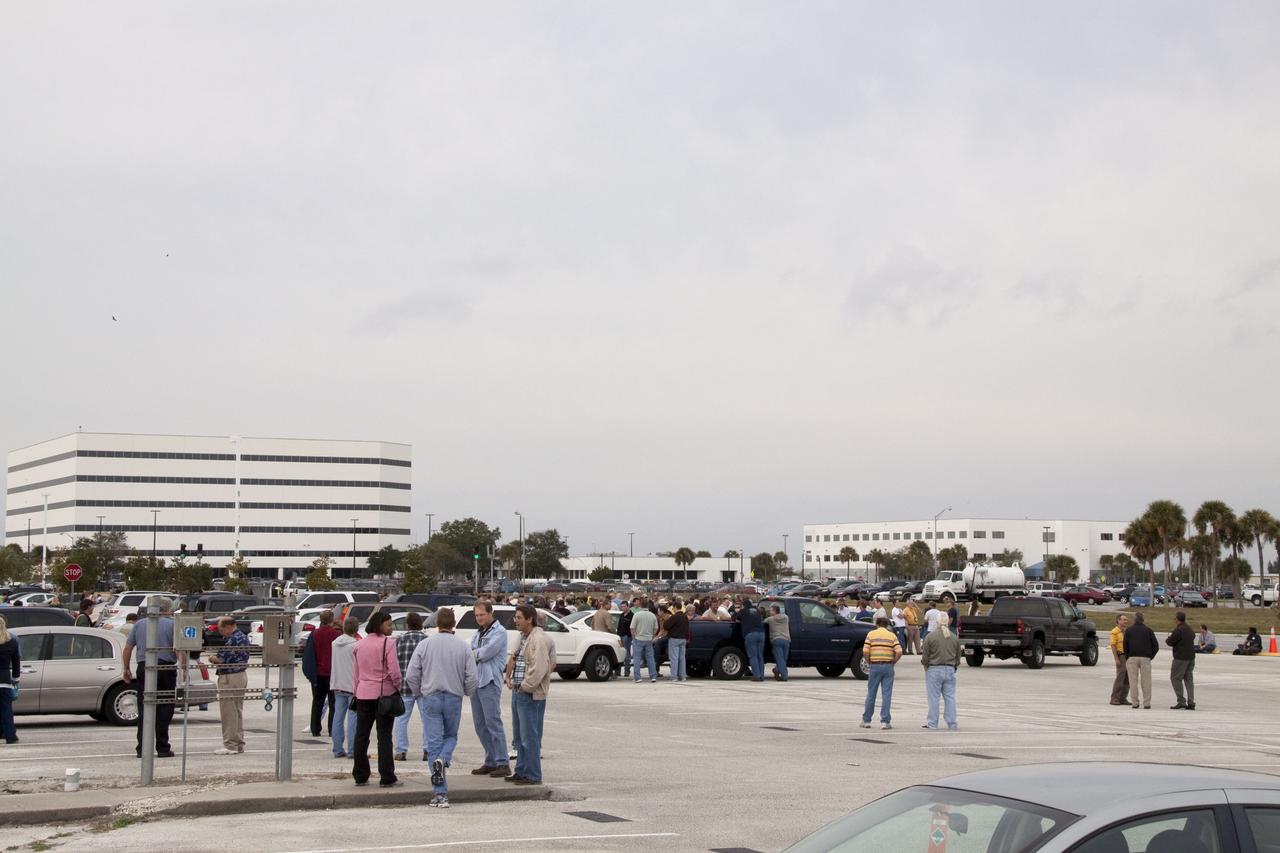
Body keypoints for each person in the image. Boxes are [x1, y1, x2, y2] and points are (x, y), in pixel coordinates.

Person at [405, 606, 478, 808]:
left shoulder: (425, 644)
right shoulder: (462, 646)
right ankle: (444, 759)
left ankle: (440, 793)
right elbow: (472, 676)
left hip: (431, 696)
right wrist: (466, 691)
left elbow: (411, 674)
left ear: (437, 623)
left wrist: (419, 691)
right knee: (451, 736)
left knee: (433, 743)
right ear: (453, 624)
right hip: (453, 696)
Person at [122, 596, 180, 758]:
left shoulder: (139, 624)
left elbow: (128, 648)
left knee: (145, 707)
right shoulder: (173, 624)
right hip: (166, 668)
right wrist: (183, 669)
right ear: (165, 609)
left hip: (144, 667)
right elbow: (179, 649)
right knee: (165, 708)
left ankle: (142, 747)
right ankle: (162, 747)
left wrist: (126, 668)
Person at [504, 604, 555, 785]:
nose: (515, 621)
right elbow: (515, 659)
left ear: (529, 619)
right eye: (515, 618)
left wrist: (525, 686)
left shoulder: (538, 639)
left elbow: (540, 668)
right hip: (519, 692)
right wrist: (508, 678)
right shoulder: (524, 637)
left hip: (530, 694)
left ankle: (533, 774)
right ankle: (521, 770)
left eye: (519, 618)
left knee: (530, 736)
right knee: (519, 737)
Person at [351, 610, 402, 788]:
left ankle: (360, 774)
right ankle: (387, 775)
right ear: (380, 625)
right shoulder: (388, 643)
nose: (391, 628)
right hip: (384, 693)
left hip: (363, 693)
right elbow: (394, 671)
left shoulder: (359, 645)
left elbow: (356, 674)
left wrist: (356, 691)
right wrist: (398, 686)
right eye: (389, 624)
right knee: (384, 736)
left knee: (362, 735)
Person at [468, 600, 511, 778]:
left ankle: (503, 762)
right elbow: (472, 651)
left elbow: (486, 653)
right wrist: (474, 654)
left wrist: (473, 654)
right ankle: (491, 760)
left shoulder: (499, 632)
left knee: (493, 722)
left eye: (482, 615)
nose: (479, 618)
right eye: (476, 615)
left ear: (490, 613)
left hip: (490, 682)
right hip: (476, 682)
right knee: (480, 725)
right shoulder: (477, 634)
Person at [209, 615, 250, 755]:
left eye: (221, 630)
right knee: (237, 710)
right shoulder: (243, 637)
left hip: (229, 677)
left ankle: (230, 744)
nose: (221, 633)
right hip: (240, 675)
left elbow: (221, 659)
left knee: (229, 711)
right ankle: (238, 742)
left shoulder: (232, 639)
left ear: (228, 627)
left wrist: (212, 658)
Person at [392, 612, 429, 762]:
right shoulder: (426, 641)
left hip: (404, 686)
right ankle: (428, 750)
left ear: (407, 625)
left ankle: (401, 750)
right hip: (423, 686)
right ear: (421, 624)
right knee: (427, 719)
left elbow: (394, 663)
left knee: (401, 719)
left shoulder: (399, 641)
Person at [920, 612, 961, 730]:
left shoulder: (930, 636)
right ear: (948, 621)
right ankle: (952, 723)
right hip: (950, 669)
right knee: (950, 697)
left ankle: (932, 723)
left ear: (937, 622)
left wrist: (926, 666)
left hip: (934, 669)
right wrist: (954, 666)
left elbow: (925, 656)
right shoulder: (954, 637)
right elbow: (958, 657)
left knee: (933, 698)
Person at [861, 616, 901, 729]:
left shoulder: (871, 634)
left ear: (877, 624)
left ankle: (867, 720)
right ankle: (885, 721)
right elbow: (899, 651)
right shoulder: (892, 635)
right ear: (887, 625)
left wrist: (869, 661)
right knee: (886, 694)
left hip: (875, 665)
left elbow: (865, 651)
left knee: (871, 693)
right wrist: (894, 661)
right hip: (888, 666)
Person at [306, 611, 341, 738]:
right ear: (332, 620)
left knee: (317, 702)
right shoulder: (336, 634)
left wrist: (310, 674)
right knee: (333, 703)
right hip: (333, 673)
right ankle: (332, 729)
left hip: (318, 673)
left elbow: (309, 655)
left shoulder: (314, 634)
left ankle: (315, 729)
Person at [329, 616, 360, 759]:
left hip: (337, 683)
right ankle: (353, 749)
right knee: (353, 717)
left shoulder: (335, 643)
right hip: (352, 685)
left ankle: (337, 748)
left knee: (338, 716)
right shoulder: (356, 645)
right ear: (356, 629)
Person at [1123, 611, 1159, 709]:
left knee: (1133, 681)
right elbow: (1156, 645)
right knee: (1146, 681)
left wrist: (1128, 656)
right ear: (1143, 620)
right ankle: (1147, 703)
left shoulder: (1129, 630)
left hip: (1132, 657)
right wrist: (1151, 656)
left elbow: (1125, 645)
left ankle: (1135, 702)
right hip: (1145, 657)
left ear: (1134, 619)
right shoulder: (1148, 630)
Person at [1166, 611, 1196, 711]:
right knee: (1189, 680)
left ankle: (1181, 700)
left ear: (1177, 619)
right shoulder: (1189, 629)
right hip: (1191, 657)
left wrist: (1169, 637)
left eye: (1175, 619)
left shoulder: (1179, 630)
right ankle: (1191, 702)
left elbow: (1170, 642)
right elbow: (1193, 636)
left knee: (1175, 678)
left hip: (1180, 658)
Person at [630, 599, 659, 683]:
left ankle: (638, 677)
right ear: (648, 606)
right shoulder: (652, 615)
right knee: (650, 658)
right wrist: (652, 635)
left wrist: (634, 637)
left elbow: (632, 628)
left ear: (640, 605)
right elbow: (656, 628)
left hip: (638, 638)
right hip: (649, 639)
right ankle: (653, 676)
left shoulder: (637, 615)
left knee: (637, 659)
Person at [0, 616, 18, 744]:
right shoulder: (12, 641)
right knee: (6, 710)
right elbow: (16, 662)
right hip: (5, 680)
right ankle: (10, 736)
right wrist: (16, 678)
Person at [664, 601, 690, 682]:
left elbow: (666, 626)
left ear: (675, 607)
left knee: (674, 658)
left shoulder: (674, 617)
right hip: (683, 639)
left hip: (674, 639)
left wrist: (666, 620)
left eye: (673, 608)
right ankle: (682, 676)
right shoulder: (685, 617)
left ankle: (674, 676)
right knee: (682, 658)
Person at [765, 604, 791, 682]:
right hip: (786, 640)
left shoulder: (770, 619)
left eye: (770, 610)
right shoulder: (786, 617)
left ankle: (784, 676)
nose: (769, 611)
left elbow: (762, 622)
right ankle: (776, 669)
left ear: (774, 611)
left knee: (780, 659)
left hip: (776, 640)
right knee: (784, 659)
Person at [1109, 614, 1130, 706]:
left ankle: (1123, 698)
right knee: (1120, 678)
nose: (1126, 621)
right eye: (1124, 620)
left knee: (1127, 678)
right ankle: (1115, 698)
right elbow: (1113, 646)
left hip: (1128, 656)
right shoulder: (1115, 632)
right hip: (1121, 656)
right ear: (1118, 621)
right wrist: (1116, 659)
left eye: (1126, 620)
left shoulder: (1127, 631)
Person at [617, 602, 634, 679]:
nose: (622, 608)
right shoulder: (621, 615)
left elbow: (632, 627)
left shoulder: (631, 615)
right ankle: (618, 671)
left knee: (627, 654)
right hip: (620, 636)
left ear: (627, 607)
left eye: (624, 606)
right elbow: (619, 626)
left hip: (627, 637)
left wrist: (630, 635)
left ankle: (627, 671)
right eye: (622, 607)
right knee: (619, 653)